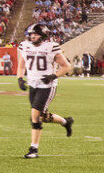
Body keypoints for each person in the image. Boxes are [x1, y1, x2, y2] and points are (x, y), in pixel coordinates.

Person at [17, 23, 73, 159]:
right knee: (42, 116)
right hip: (33, 85)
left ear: (42, 35)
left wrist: (52, 76)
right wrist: (20, 79)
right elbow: (21, 65)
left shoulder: (51, 47)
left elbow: (66, 66)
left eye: (35, 34)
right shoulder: (25, 46)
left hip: (47, 86)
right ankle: (66, 122)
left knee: (34, 117)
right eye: (31, 34)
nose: (32, 36)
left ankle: (33, 149)